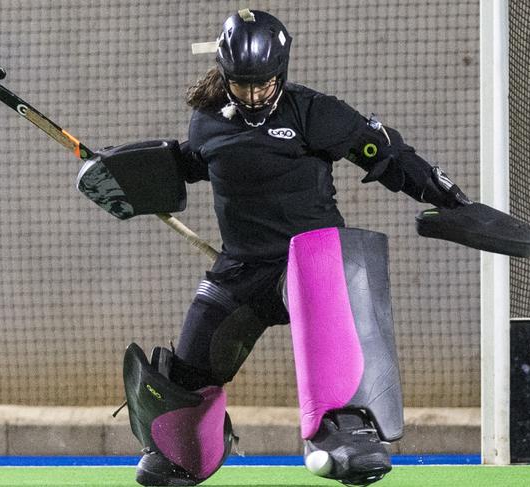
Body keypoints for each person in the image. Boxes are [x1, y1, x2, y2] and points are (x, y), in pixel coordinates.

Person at [118, 8, 471, 487]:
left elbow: (386, 153)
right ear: (226, 75)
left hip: (309, 264)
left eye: (263, 83)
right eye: (242, 84)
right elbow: (197, 163)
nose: (253, 94)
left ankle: (348, 430)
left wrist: (444, 196)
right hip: (241, 269)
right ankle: (182, 453)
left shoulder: (314, 113)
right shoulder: (207, 122)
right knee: (188, 366)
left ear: (280, 72)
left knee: (326, 329)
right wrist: (124, 178)